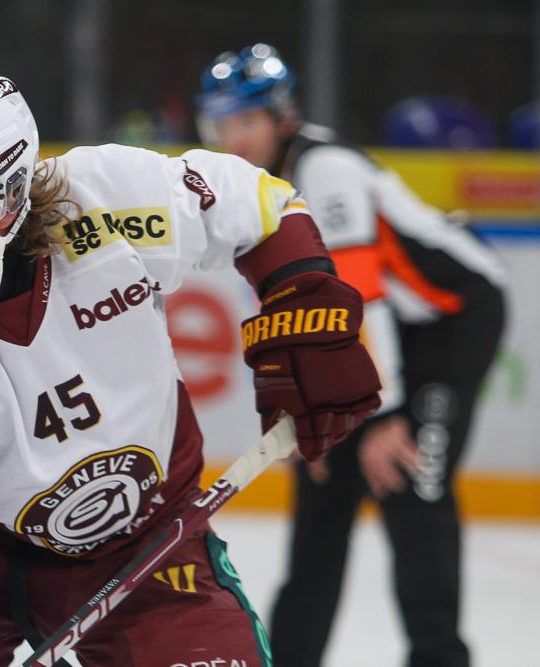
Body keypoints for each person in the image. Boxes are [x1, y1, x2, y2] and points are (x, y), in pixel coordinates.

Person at [0, 69, 381, 667]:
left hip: (147, 542)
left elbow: (263, 207)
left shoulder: (106, 201)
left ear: (8, 199)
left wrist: (306, 307)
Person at [197, 45, 507, 667]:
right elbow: (288, 307)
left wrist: (383, 417)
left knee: (411, 484)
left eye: (247, 121)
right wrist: (303, 409)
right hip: (377, 337)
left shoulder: (327, 167)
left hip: (450, 321)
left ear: (282, 118)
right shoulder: (250, 188)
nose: (233, 139)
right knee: (323, 499)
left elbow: (363, 296)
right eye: (221, 124)